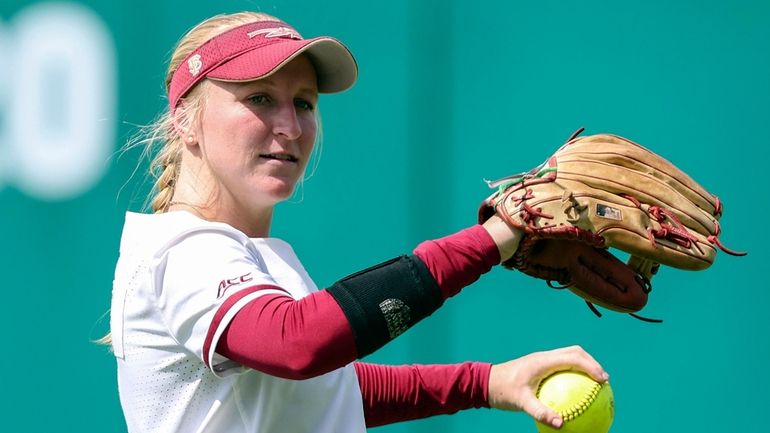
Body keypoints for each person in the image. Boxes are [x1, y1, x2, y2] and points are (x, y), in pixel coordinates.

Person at [107, 11, 610, 433]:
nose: (289, 125)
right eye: (259, 97)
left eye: (303, 102)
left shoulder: (241, 254)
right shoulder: (183, 249)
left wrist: (484, 383)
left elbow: (324, 392)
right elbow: (297, 344)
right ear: (184, 121)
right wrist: (493, 240)